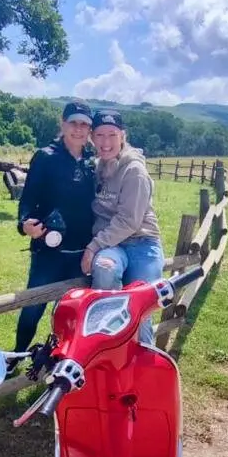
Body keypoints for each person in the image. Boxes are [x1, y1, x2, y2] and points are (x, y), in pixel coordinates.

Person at [13, 100, 95, 353]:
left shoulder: (94, 160)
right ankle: (17, 354)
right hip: (49, 251)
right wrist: (25, 224)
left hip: (83, 253)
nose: (78, 129)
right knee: (33, 308)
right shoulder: (45, 157)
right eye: (74, 123)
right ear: (63, 123)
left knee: (72, 312)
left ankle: (62, 358)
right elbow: (28, 200)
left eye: (84, 125)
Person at [81, 109, 164, 346]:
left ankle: (142, 367)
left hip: (141, 242)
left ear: (122, 136)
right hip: (113, 244)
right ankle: (104, 350)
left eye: (112, 135)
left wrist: (92, 247)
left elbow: (129, 221)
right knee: (105, 270)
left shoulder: (134, 171)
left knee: (141, 306)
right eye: (99, 135)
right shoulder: (97, 168)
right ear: (92, 138)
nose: (105, 143)